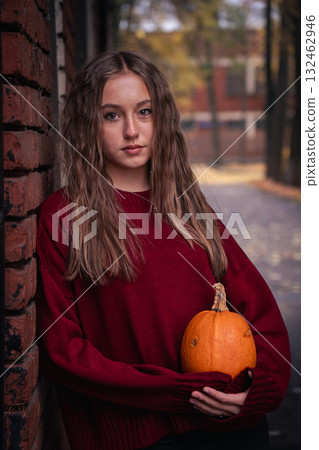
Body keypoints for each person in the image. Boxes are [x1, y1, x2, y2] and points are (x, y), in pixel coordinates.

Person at [36, 51, 291, 450]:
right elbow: (62, 352)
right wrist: (178, 393)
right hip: (134, 436)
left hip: (231, 428)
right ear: (88, 124)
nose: (132, 131)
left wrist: (258, 391)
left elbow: (261, 314)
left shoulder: (190, 208)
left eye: (144, 111)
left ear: (162, 119)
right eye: (111, 115)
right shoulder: (64, 216)